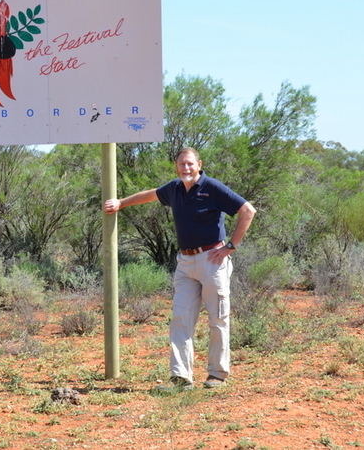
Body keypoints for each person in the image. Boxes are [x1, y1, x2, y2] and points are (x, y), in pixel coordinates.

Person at [103, 147, 256, 391]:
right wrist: (121, 203)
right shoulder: (174, 188)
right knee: (180, 319)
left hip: (212, 260)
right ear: (177, 166)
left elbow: (247, 210)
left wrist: (230, 247)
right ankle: (181, 378)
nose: (185, 168)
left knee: (218, 319)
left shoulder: (212, 187)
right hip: (185, 263)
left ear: (199, 164)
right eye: (181, 164)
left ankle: (217, 374)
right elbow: (150, 194)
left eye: (190, 164)